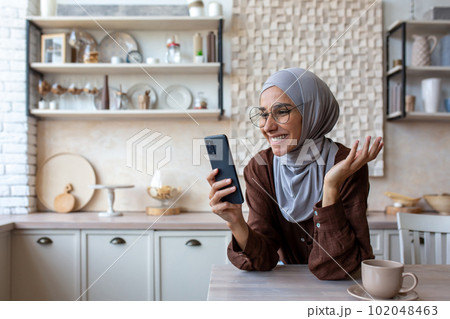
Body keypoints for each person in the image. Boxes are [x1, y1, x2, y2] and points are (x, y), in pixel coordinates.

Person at [207, 68, 383, 280]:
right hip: (288, 287)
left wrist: (331, 186)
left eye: (281, 111)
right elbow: (263, 259)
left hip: (346, 289)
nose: (268, 126)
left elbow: (338, 268)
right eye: (263, 114)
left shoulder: (347, 164)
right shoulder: (260, 168)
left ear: (312, 113)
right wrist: (236, 222)